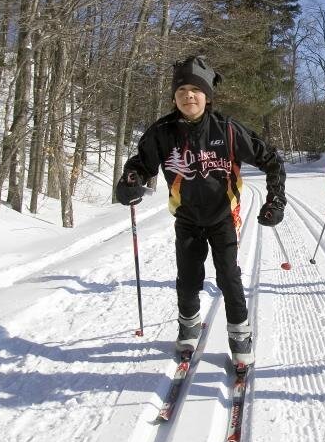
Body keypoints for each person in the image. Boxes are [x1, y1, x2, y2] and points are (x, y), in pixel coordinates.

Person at [115, 55, 286, 368]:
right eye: (182, 91)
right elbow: (140, 165)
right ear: (174, 97)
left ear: (207, 96)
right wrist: (130, 182)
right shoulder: (162, 133)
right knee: (189, 279)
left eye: (195, 90)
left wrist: (275, 200)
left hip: (223, 216)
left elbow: (272, 159)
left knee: (229, 278)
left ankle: (239, 334)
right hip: (187, 218)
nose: (188, 95)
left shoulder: (229, 129)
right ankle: (189, 325)